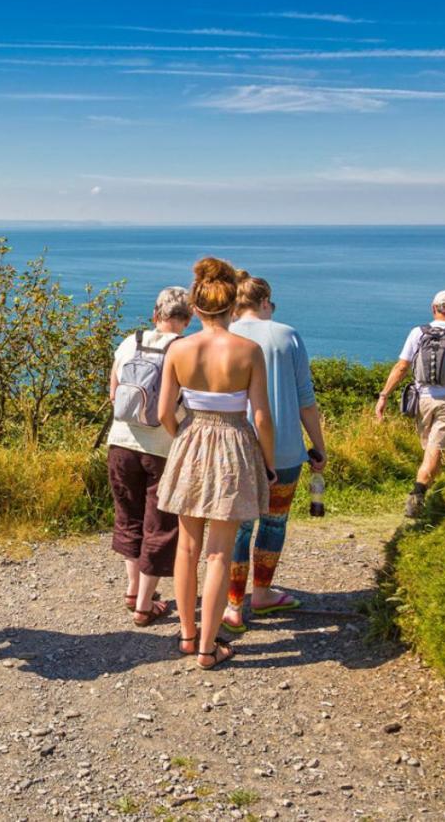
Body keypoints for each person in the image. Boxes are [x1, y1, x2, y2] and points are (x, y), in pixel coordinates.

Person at [156, 258, 276, 671]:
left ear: (197, 307)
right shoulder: (248, 351)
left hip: (191, 440)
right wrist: (268, 462)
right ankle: (209, 646)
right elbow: (261, 416)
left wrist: (185, 439)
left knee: (187, 548)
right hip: (234, 443)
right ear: (230, 306)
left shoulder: (179, 348)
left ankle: (187, 636)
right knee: (219, 554)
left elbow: (163, 413)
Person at [222, 272, 327, 634]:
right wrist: (319, 446)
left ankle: (233, 605)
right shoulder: (287, 335)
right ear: (265, 302)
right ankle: (262, 593)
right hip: (284, 449)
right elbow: (305, 400)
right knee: (273, 522)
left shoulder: (225, 334)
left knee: (237, 528)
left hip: (235, 449)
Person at [106, 286, 192, 627]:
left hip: (122, 441)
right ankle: (144, 605)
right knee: (161, 524)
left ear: (156, 315)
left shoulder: (131, 341)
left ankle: (132, 589)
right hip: (163, 448)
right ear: (187, 318)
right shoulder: (185, 349)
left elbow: (114, 393)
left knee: (129, 517)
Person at [375, 290, 445, 518]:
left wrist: (384, 396)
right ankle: (418, 493)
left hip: (422, 400)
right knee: (435, 451)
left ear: (433, 308)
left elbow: (401, 367)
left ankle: (429, 492)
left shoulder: (417, 333)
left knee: (432, 449)